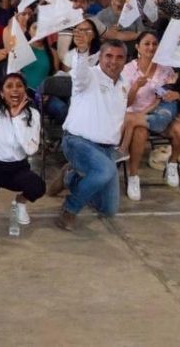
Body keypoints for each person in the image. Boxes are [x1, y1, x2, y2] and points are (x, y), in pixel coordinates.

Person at [50, 40, 131, 231]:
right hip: (77, 141)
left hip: (107, 149)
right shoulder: (89, 76)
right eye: (108, 56)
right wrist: (83, 50)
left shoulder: (124, 84)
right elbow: (79, 74)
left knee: (108, 209)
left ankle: (70, 177)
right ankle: (69, 209)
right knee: (105, 171)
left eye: (119, 57)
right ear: (100, 57)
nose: (114, 61)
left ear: (125, 60)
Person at [0, 62, 46, 229]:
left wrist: (16, 118)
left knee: (38, 187)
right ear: (2, 93)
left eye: (19, 86)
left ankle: (19, 202)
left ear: (25, 92)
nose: (15, 90)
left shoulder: (32, 115)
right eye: (9, 86)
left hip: (17, 168)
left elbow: (30, 149)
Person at [121, 31, 180, 196]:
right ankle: (133, 176)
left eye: (154, 44)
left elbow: (178, 92)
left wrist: (177, 95)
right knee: (140, 133)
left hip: (161, 114)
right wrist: (136, 87)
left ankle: (172, 163)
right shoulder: (127, 70)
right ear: (137, 47)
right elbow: (125, 103)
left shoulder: (167, 69)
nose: (151, 47)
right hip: (137, 113)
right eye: (147, 44)